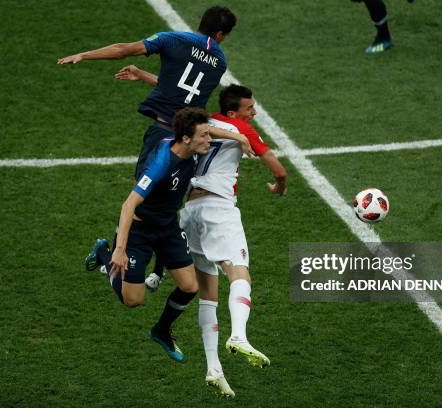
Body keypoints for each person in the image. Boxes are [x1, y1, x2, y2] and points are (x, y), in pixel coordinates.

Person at [118, 68, 287, 396]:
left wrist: (142, 75)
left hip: (190, 210)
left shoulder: (202, 121)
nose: (254, 113)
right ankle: (238, 335)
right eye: (250, 108)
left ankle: (213, 369)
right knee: (239, 274)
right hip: (218, 210)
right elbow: (277, 167)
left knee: (206, 292)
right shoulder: (242, 129)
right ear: (234, 111)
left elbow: (171, 89)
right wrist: (280, 184)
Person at [84, 107, 211, 363]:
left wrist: (242, 139)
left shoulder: (192, 148)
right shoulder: (162, 163)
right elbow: (128, 205)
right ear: (186, 138)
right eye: (205, 135)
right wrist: (120, 250)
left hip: (167, 227)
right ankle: (104, 253)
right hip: (139, 232)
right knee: (133, 300)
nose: (210, 140)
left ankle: (161, 330)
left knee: (190, 286)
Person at [57, 6, 243, 176]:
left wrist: (84, 55)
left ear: (202, 22)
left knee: (141, 193)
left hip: (162, 134)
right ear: (219, 34)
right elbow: (181, 89)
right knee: (169, 202)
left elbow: (122, 50)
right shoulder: (220, 63)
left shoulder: (173, 39)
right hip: (189, 142)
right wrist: (141, 74)